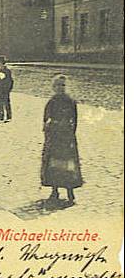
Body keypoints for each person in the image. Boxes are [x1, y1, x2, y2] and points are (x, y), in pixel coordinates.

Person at [41, 74, 82, 205]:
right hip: (54, 136)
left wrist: (71, 134)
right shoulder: (52, 101)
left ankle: (70, 191)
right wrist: (48, 128)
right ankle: (55, 190)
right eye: (58, 85)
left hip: (66, 136)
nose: (60, 88)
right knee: (54, 163)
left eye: (63, 85)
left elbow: (75, 120)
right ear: (53, 87)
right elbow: (46, 118)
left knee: (68, 164)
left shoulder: (70, 101)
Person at [0, 55, 13, 122]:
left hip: (5, 89)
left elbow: (10, 81)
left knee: (6, 103)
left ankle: (9, 117)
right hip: (0, 89)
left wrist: (8, 89)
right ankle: (1, 116)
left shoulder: (7, 71)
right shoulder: (0, 70)